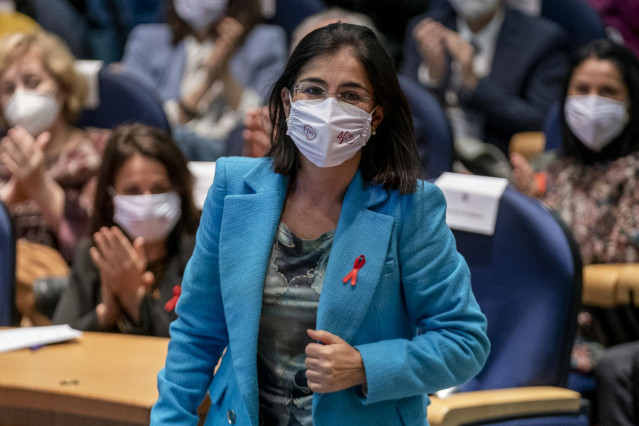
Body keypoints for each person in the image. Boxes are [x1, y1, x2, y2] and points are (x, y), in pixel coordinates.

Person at [151, 23, 490, 425]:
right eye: (313, 90)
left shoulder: (411, 208)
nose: (329, 106)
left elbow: (465, 342)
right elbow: (196, 331)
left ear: (376, 115)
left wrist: (365, 365)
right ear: (288, 102)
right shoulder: (233, 188)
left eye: (350, 95)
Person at [510, 39, 639, 425]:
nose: (592, 101)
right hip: (543, 328)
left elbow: (620, 262)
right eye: (581, 90)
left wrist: (536, 213)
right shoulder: (549, 167)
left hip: (610, 333)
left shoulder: (634, 173)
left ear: (631, 102)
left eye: (608, 91)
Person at [0, 30, 106, 326]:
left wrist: (41, 188)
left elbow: (99, 244)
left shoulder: (103, 152)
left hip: (78, 308)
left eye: (32, 82)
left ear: (61, 86)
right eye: (8, 88)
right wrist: (7, 203)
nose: (20, 95)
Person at [53, 123, 199, 336]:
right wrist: (105, 316)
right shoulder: (94, 253)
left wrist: (134, 300)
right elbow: (59, 339)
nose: (147, 201)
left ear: (179, 192)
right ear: (111, 197)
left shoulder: (201, 254)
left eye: (159, 189)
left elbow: (194, 347)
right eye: (133, 191)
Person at [401, 0, 568, 161]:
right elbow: (402, 111)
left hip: (497, 165)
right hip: (430, 159)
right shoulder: (425, 28)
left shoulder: (542, 38)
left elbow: (541, 121)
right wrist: (432, 77)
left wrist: (474, 85)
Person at [121, 0, 287, 161]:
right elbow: (142, 117)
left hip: (231, 146)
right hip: (168, 145)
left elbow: (259, 121)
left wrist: (224, 70)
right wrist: (208, 78)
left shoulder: (266, 41)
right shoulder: (146, 39)